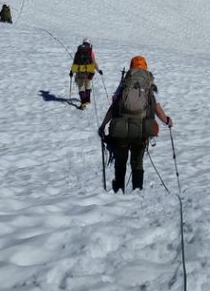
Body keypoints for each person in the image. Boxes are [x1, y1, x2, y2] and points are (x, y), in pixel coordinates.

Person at [99, 55, 173, 193]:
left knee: (120, 162)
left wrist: (103, 126)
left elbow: (114, 107)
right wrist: (167, 121)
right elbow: (157, 109)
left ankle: (118, 191)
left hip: (122, 129)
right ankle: (137, 192)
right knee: (137, 163)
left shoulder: (125, 84)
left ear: (131, 68)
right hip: (141, 131)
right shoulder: (149, 85)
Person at [70, 39, 102, 110]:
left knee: (81, 87)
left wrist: (72, 72)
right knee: (88, 85)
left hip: (80, 72)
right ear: (89, 44)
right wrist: (98, 70)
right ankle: (87, 100)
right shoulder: (90, 52)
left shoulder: (78, 52)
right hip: (89, 72)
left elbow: (75, 63)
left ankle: (83, 104)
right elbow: (94, 62)